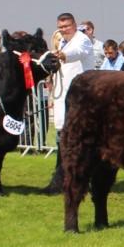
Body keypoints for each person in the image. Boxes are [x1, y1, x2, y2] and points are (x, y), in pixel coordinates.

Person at [42, 12, 98, 194]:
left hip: (81, 98)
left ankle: (83, 180)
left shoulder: (82, 39)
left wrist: (62, 55)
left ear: (74, 25)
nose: (63, 30)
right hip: (64, 97)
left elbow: (77, 53)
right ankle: (62, 179)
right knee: (63, 139)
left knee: (80, 140)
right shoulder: (63, 42)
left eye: (66, 26)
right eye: (60, 27)